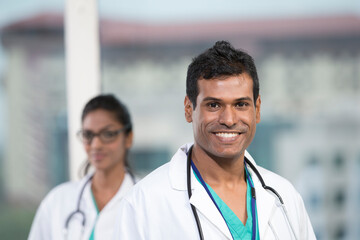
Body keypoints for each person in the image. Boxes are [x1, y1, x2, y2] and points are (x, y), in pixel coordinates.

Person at [114, 41, 316, 240]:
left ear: (257, 109)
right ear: (188, 109)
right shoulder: (144, 202)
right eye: (213, 105)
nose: (228, 120)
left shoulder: (284, 196)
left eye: (241, 104)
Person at [28, 94, 136, 240]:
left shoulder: (144, 200)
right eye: (88, 135)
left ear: (128, 138)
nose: (96, 145)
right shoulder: (57, 201)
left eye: (108, 134)